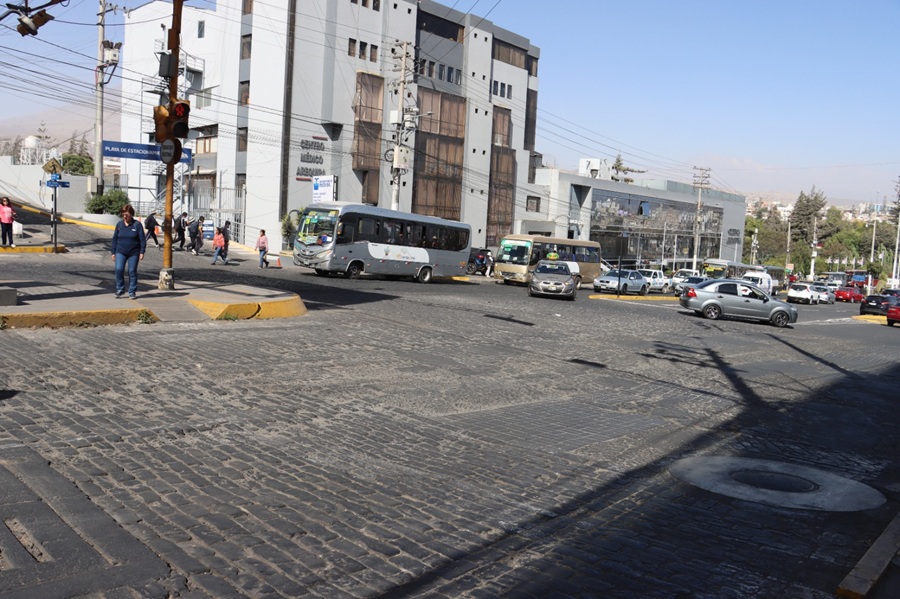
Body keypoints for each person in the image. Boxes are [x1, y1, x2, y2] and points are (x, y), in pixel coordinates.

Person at [110, 204, 146, 299]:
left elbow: (142, 239)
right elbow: (115, 239)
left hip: (133, 253)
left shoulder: (137, 225)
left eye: (126, 214)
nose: (124, 216)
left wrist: (142, 252)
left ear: (131, 214)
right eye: (123, 214)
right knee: (118, 269)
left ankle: (132, 291)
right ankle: (120, 289)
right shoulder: (119, 224)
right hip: (120, 251)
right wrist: (113, 252)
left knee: (132, 271)